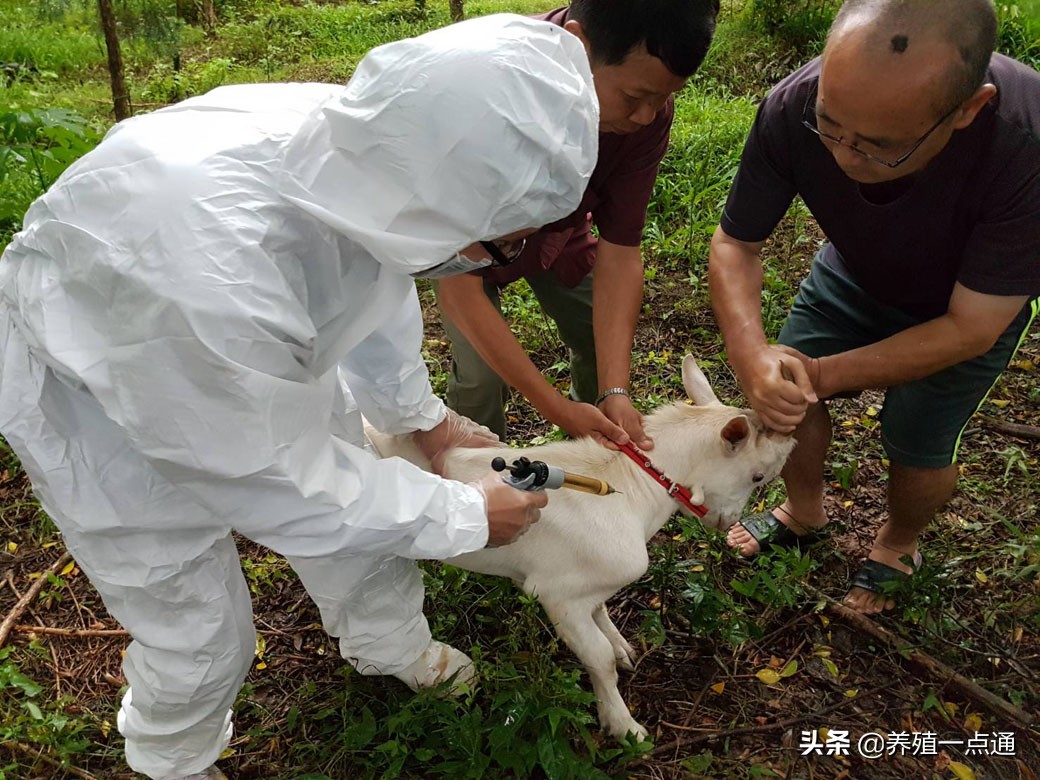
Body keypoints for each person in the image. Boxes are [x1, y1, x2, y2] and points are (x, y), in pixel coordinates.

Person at [0, 15, 600, 780]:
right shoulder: (214, 272)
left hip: (248, 347)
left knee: (362, 520)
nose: (488, 261)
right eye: (498, 242)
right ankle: (173, 760)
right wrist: (463, 516)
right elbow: (273, 481)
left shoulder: (367, 153)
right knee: (197, 624)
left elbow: (372, 285)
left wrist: (420, 421)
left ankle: (390, 645)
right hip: (95, 389)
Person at [709, 0, 1039, 614]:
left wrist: (826, 374)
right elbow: (736, 243)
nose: (844, 155)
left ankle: (898, 541)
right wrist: (751, 352)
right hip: (852, 276)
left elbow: (973, 326)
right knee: (784, 396)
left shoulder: (1027, 142)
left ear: (970, 108)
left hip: (966, 310)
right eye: (830, 126)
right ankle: (804, 513)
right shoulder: (793, 103)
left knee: (918, 439)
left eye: (878, 146)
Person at [436, 0, 720, 450]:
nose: (647, 116)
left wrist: (615, 391)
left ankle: (595, 445)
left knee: (597, 333)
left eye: (664, 97)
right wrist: (555, 409)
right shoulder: (488, 97)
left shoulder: (642, 112)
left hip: (558, 236)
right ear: (578, 45)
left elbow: (621, 249)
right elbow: (460, 287)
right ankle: (477, 487)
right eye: (634, 98)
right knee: (481, 382)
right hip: (465, 252)